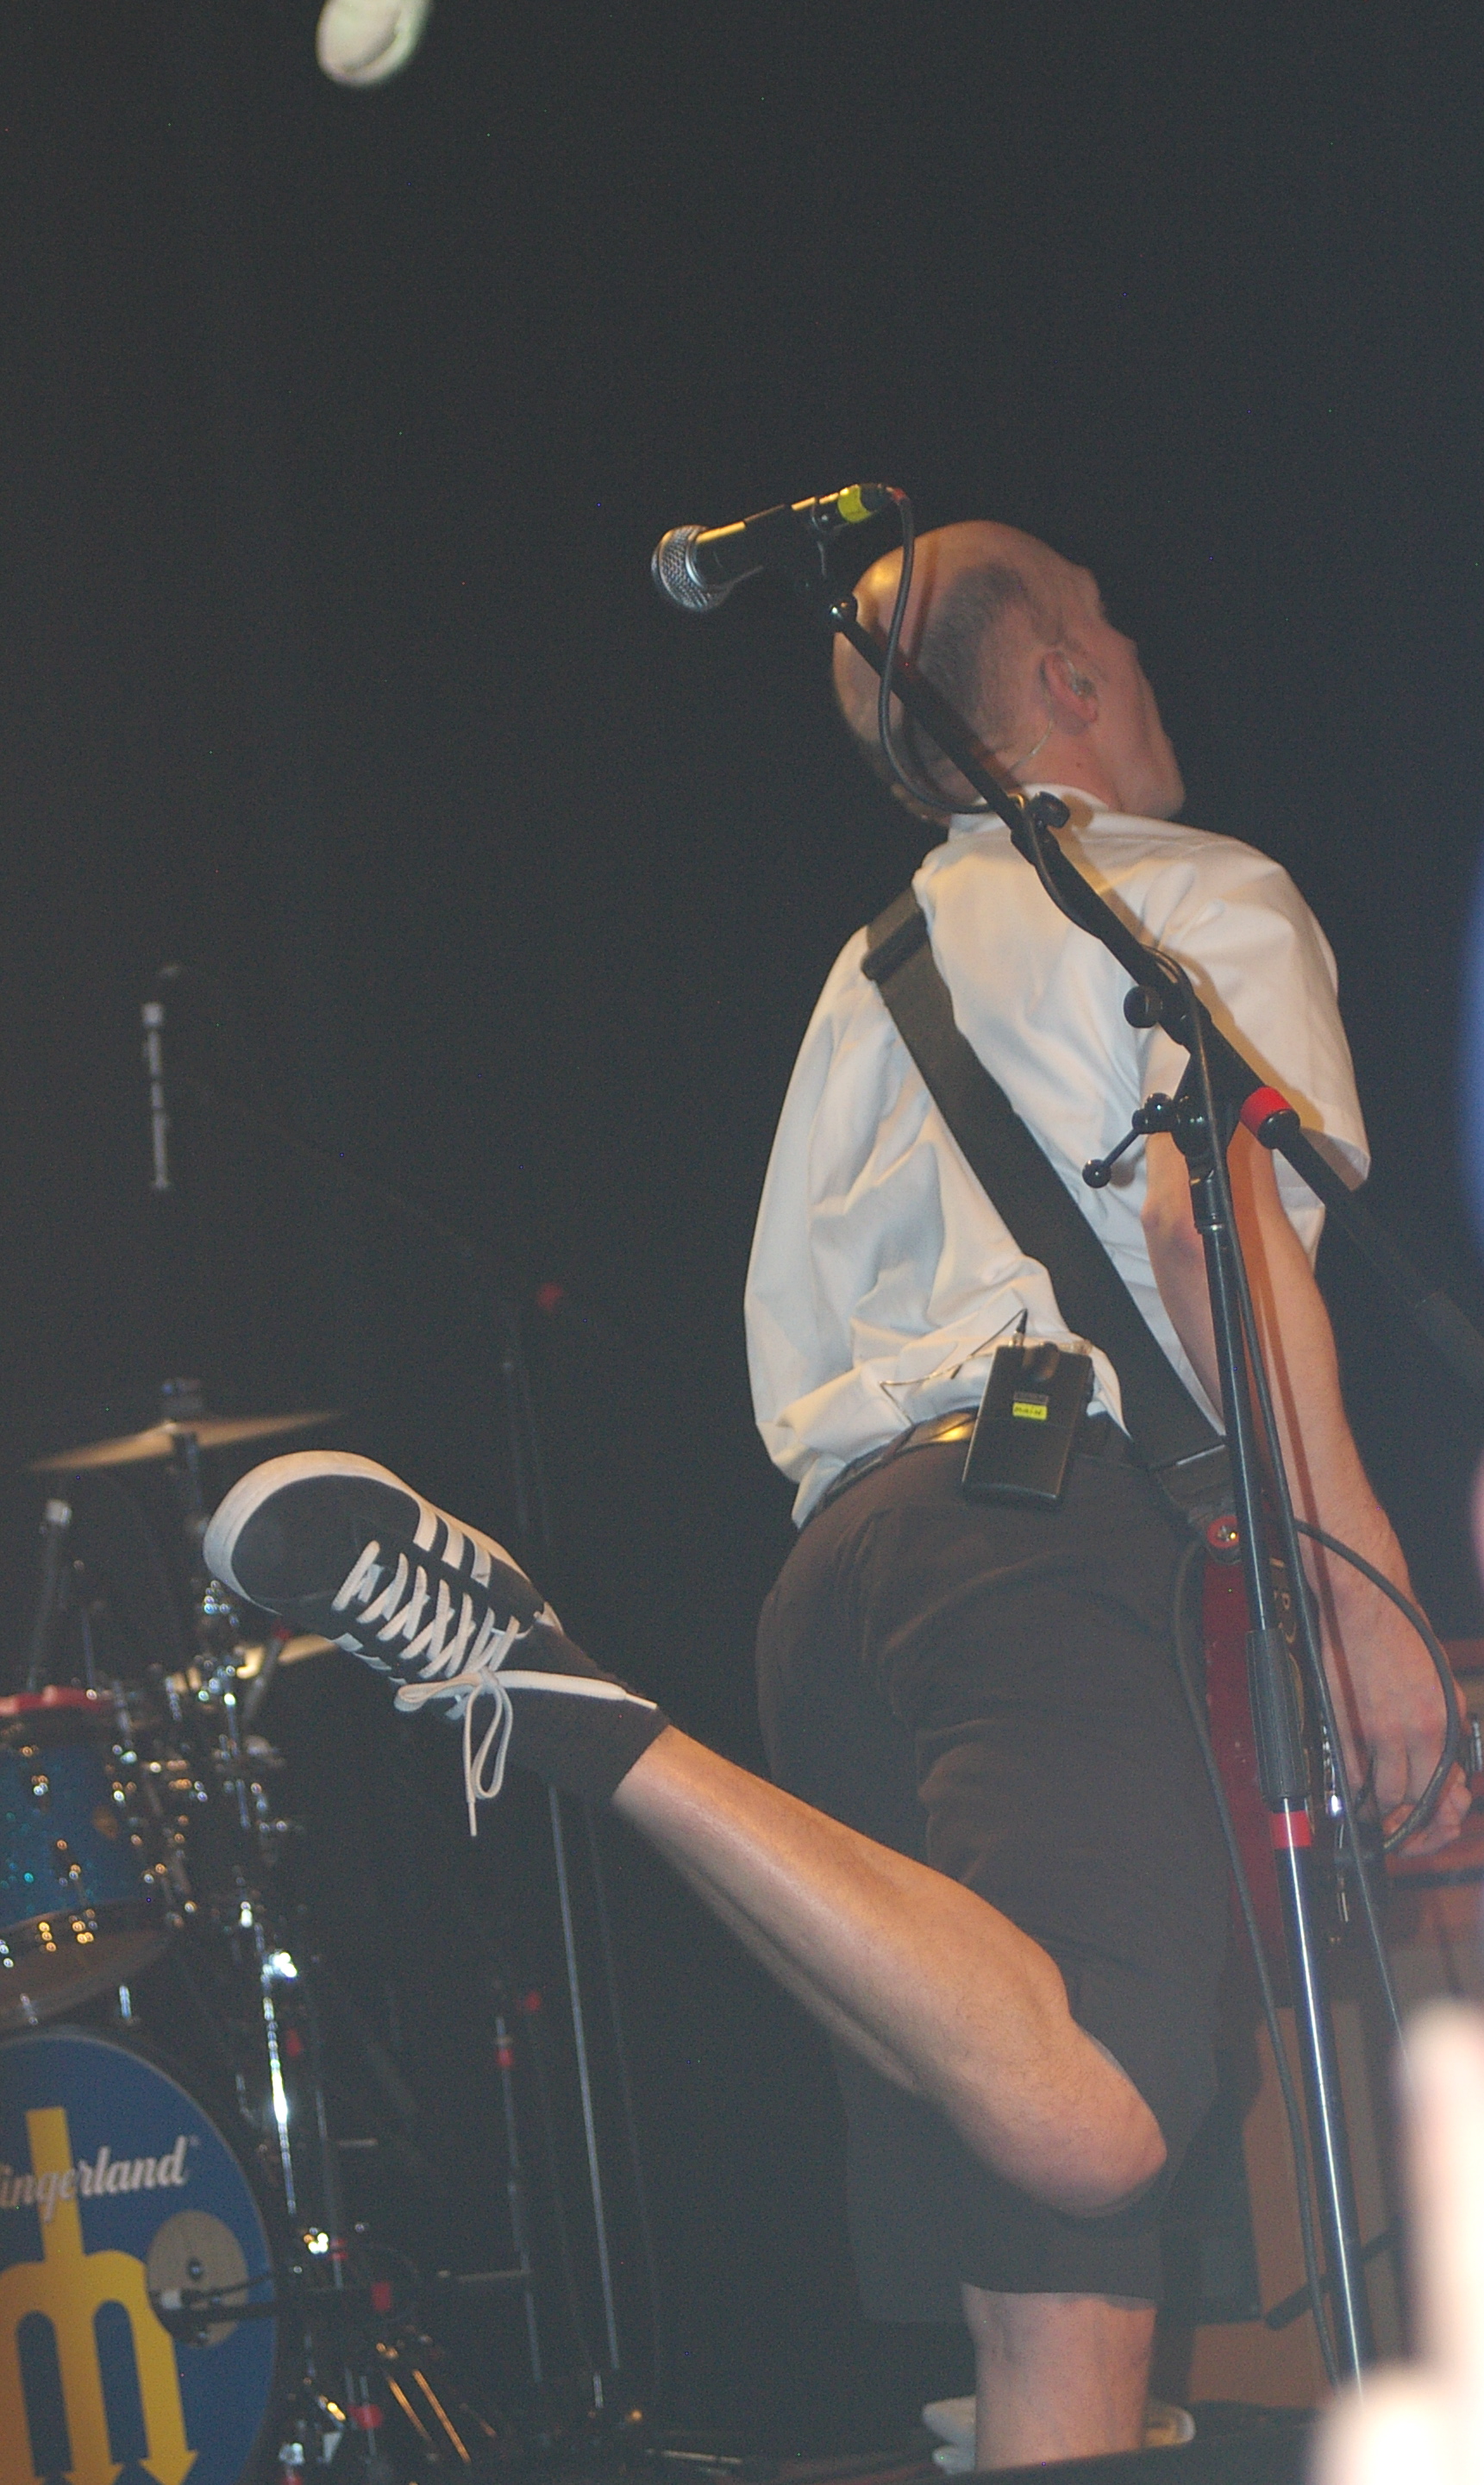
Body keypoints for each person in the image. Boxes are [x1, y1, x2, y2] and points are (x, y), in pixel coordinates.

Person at [203, 522, 1466, 2469]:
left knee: (1059, 2316)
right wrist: (1362, 1588)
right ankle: (582, 1712)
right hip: (1055, 1551)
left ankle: (596, 1720)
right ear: (1063, 681)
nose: (1141, 661)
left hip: (853, 1575)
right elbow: (1202, 1229)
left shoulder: (867, 982)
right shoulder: (1188, 894)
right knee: (1107, 2119)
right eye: (1115, 633)